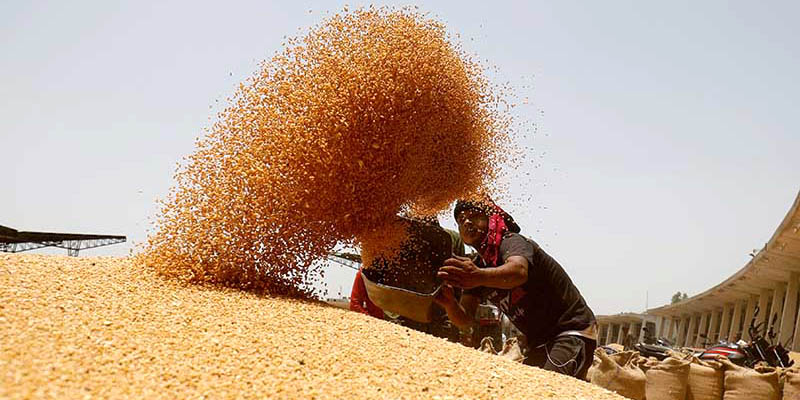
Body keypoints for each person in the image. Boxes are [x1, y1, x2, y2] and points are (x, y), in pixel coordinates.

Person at [434, 198, 597, 380]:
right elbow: (464, 319)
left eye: (474, 216)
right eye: (461, 220)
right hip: (539, 342)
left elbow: (518, 272)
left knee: (547, 388)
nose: (466, 222)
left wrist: (477, 276)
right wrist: (450, 303)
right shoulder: (479, 266)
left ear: (492, 219)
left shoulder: (511, 242)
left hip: (570, 331)